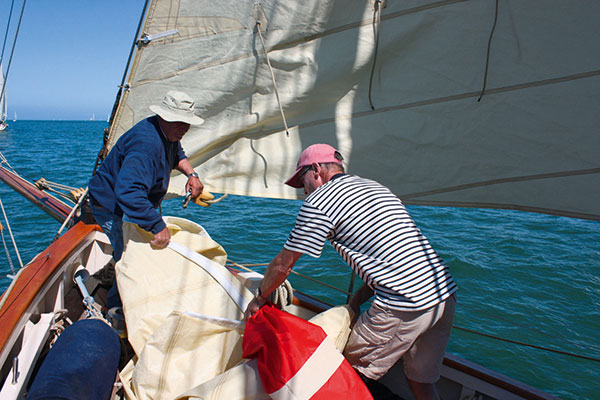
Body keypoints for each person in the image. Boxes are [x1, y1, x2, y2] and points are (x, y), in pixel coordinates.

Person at [244, 144, 457, 400]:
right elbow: (396, 254)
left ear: (316, 170)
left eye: (302, 181)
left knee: (345, 373)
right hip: (444, 295)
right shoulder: (375, 187)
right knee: (420, 380)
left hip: (406, 302)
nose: (303, 191)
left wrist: (260, 299)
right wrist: (357, 300)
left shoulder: (319, 201)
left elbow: (283, 264)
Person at [88, 90, 204, 306]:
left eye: (188, 123)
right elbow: (128, 192)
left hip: (132, 203)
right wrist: (157, 225)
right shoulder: (146, 144)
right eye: (181, 122)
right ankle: (117, 310)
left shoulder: (167, 132)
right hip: (110, 205)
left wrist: (192, 174)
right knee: (129, 261)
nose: (185, 128)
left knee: (134, 253)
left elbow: (177, 153)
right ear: (165, 117)